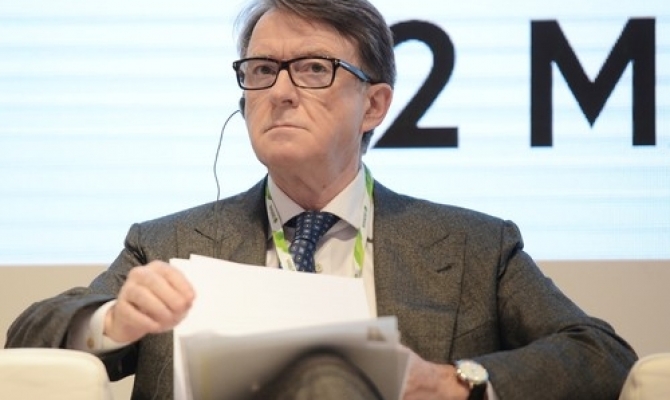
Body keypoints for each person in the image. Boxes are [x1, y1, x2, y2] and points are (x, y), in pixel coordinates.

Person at [6, 0, 637, 399]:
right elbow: (28, 339)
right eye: (261, 69)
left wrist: (454, 382)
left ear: (375, 105)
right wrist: (112, 320)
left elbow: (602, 357)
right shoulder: (167, 244)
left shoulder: (477, 245)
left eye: (313, 69)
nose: (280, 91)